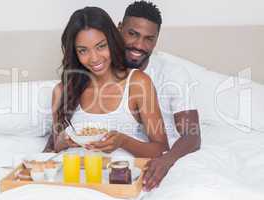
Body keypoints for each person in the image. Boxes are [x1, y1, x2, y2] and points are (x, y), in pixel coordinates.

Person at [44, 6, 170, 158]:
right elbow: (54, 148)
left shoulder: (138, 83)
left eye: (101, 46)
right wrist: (62, 142)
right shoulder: (63, 90)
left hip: (118, 177)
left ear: (112, 41)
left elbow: (161, 149)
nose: (94, 58)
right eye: (83, 50)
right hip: (73, 177)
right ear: (75, 53)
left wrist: (123, 142)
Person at [118, 1, 201, 191]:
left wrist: (166, 160)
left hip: (164, 153)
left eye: (149, 39)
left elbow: (192, 135)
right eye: (133, 34)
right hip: (119, 155)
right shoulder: (101, 67)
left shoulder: (172, 73)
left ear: (156, 40)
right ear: (119, 28)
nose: (139, 45)